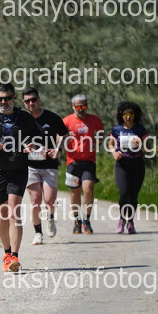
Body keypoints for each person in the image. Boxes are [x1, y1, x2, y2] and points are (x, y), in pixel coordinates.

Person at [0, 83, 41, 272]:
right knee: (3, 215)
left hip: (18, 169)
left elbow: (39, 137)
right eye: (0, 99)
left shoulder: (25, 118)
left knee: (14, 213)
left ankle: (15, 257)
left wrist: (32, 145)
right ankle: (7, 253)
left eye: (7, 98)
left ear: (14, 98)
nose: (3, 102)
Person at [22, 87, 68, 245]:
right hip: (30, 166)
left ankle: (51, 217)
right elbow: (16, 138)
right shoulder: (22, 119)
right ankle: (38, 233)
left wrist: (59, 150)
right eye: (27, 101)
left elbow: (65, 135)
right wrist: (25, 147)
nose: (31, 103)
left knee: (49, 200)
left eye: (33, 100)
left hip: (49, 165)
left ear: (39, 99)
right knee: (35, 201)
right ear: (23, 102)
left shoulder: (51, 117)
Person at [62, 94, 104, 234]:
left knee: (88, 188)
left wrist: (97, 142)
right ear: (73, 106)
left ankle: (86, 220)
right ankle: (77, 220)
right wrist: (66, 141)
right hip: (72, 162)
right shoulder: (66, 121)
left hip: (89, 161)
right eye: (78, 106)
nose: (81, 109)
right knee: (75, 192)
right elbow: (59, 139)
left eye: (84, 106)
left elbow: (100, 132)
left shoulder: (94, 120)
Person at [108, 101, 149, 234]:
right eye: (125, 114)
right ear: (121, 115)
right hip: (122, 164)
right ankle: (121, 219)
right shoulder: (116, 129)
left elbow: (147, 148)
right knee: (124, 193)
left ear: (135, 115)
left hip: (137, 164)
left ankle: (130, 221)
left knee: (133, 195)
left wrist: (140, 145)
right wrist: (114, 153)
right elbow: (110, 144)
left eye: (130, 113)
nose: (128, 116)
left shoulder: (140, 129)